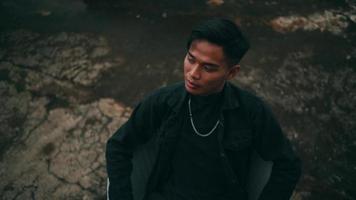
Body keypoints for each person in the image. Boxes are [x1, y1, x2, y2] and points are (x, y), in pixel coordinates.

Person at [106, 18, 301, 200]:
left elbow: (288, 165)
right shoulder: (164, 102)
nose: (193, 74)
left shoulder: (251, 112)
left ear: (232, 72)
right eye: (191, 59)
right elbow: (118, 146)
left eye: (208, 68)